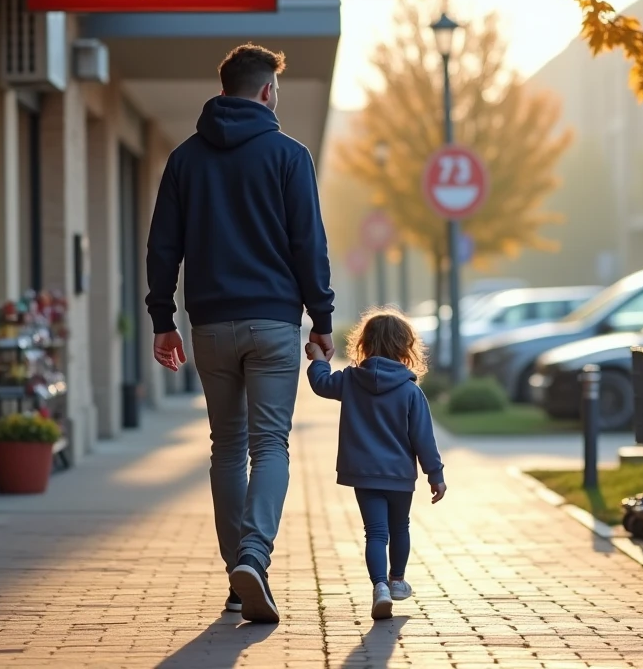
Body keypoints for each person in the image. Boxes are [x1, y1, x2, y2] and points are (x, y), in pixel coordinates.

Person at [145, 43, 335, 624]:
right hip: (274, 323)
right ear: (268, 91)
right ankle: (254, 556)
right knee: (269, 444)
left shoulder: (184, 159)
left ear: (223, 89)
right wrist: (322, 319)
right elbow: (309, 244)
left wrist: (162, 320)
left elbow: (162, 247)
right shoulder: (290, 156)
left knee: (226, 446)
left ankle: (237, 578)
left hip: (209, 324)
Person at [306, 309, 447, 621]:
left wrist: (317, 358)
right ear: (405, 347)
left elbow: (321, 383)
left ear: (364, 344)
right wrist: (435, 474)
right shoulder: (410, 390)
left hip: (364, 474)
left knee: (375, 533)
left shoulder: (350, 381)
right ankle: (397, 580)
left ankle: (379, 586)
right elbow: (423, 437)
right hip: (399, 475)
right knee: (400, 527)